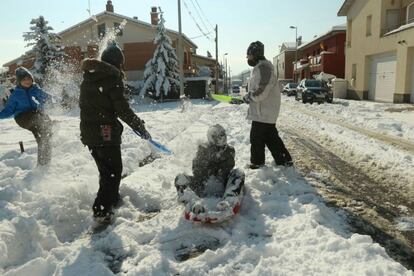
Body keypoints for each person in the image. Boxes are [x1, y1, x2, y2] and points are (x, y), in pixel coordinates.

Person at [79, 41, 151, 222]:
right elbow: (122, 109)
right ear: (118, 62)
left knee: (106, 170)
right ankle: (101, 210)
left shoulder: (89, 78)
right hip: (105, 131)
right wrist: (139, 126)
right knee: (113, 171)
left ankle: (110, 200)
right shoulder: (112, 79)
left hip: (90, 132)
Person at [243, 41, 293, 169]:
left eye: (249, 55)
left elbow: (262, 90)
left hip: (263, 112)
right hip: (264, 111)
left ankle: (257, 163)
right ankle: (284, 160)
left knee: (256, 138)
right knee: (271, 138)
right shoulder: (261, 67)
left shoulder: (263, 68)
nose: (247, 58)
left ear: (256, 54)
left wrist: (250, 96)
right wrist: (248, 96)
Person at [174, 124, 245, 214]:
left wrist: (218, 165)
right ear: (211, 138)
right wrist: (205, 163)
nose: (221, 138)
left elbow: (228, 169)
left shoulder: (230, 150)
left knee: (239, 173)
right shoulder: (203, 149)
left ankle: (229, 201)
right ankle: (193, 203)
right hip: (203, 184)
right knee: (180, 178)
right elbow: (196, 171)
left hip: (222, 185)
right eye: (218, 136)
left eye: (222, 135)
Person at [0, 67, 52, 166]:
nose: (27, 81)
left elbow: (48, 97)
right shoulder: (15, 94)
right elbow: (8, 111)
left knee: (44, 136)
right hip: (22, 117)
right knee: (39, 117)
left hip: (36, 116)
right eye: (24, 79)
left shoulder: (36, 89)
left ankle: (44, 163)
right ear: (19, 81)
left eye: (29, 79)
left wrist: (59, 100)